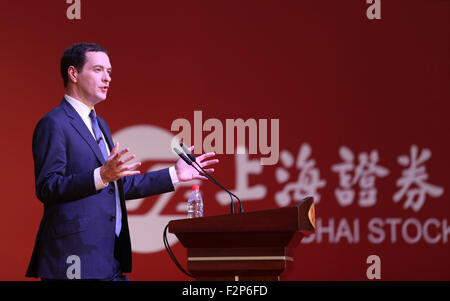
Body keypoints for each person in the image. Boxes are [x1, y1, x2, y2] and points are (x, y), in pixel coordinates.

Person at [26, 42, 218, 281]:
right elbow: (48, 187)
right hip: (74, 260)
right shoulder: (54, 123)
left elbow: (117, 187)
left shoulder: (99, 123)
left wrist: (175, 174)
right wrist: (101, 176)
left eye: (109, 72)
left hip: (108, 257)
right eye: (98, 70)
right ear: (73, 73)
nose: (107, 78)